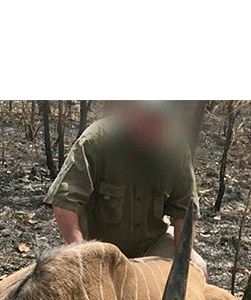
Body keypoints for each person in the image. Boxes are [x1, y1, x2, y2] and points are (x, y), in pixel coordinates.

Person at [45, 102, 206, 276]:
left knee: (197, 270)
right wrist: (81, 255)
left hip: (152, 246)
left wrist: (184, 259)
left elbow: (185, 211)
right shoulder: (96, 140)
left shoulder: (175, 149)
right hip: (100, 250)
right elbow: (63, 203)